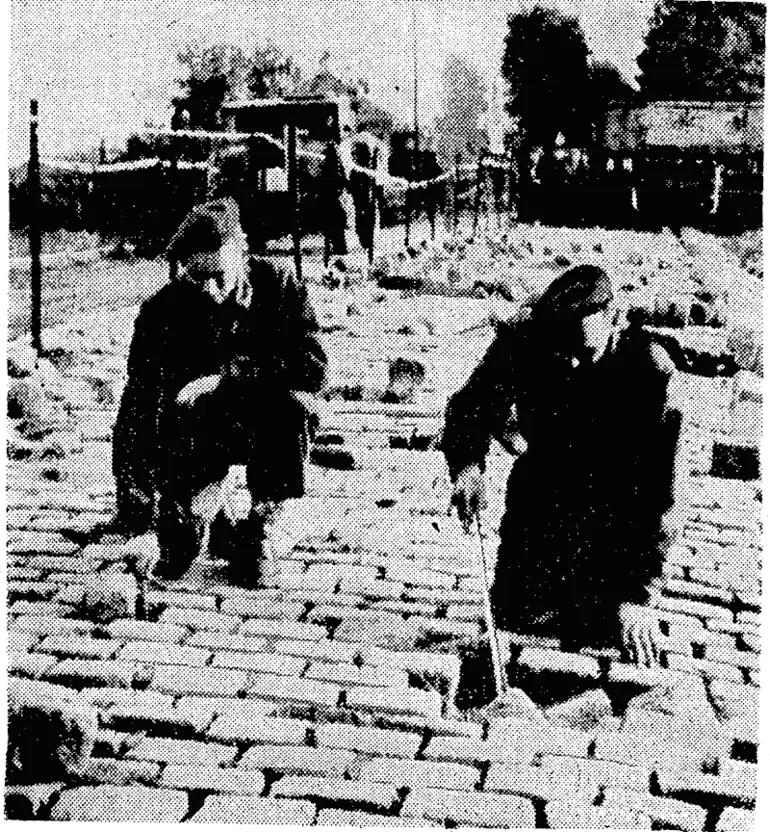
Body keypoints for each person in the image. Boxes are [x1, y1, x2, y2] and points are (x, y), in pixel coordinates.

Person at [442, 264, 681, 666]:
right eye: (561, 348)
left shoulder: (649, 374)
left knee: (606, 633)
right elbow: (469, 407)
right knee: (517, 620)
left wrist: (638, 596)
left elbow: (659, 499)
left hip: (613, 528)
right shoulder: (526, 340)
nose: (569, 362)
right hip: (539, 514)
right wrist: (468, 467)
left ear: (612, 319)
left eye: (581, 351)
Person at [111, 197, 327, 586]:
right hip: (199, 431)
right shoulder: (161, 312)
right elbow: (137, 403)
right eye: (198, 278)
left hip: (266, 419)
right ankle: (207, 511)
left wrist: (229, 378)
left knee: (294, 406)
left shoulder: (279, 287)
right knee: (179, 550)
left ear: (241, 249)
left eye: (218, 276)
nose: (209, 289)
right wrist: (136, 501)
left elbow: (311, 368)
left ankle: (261, 524)